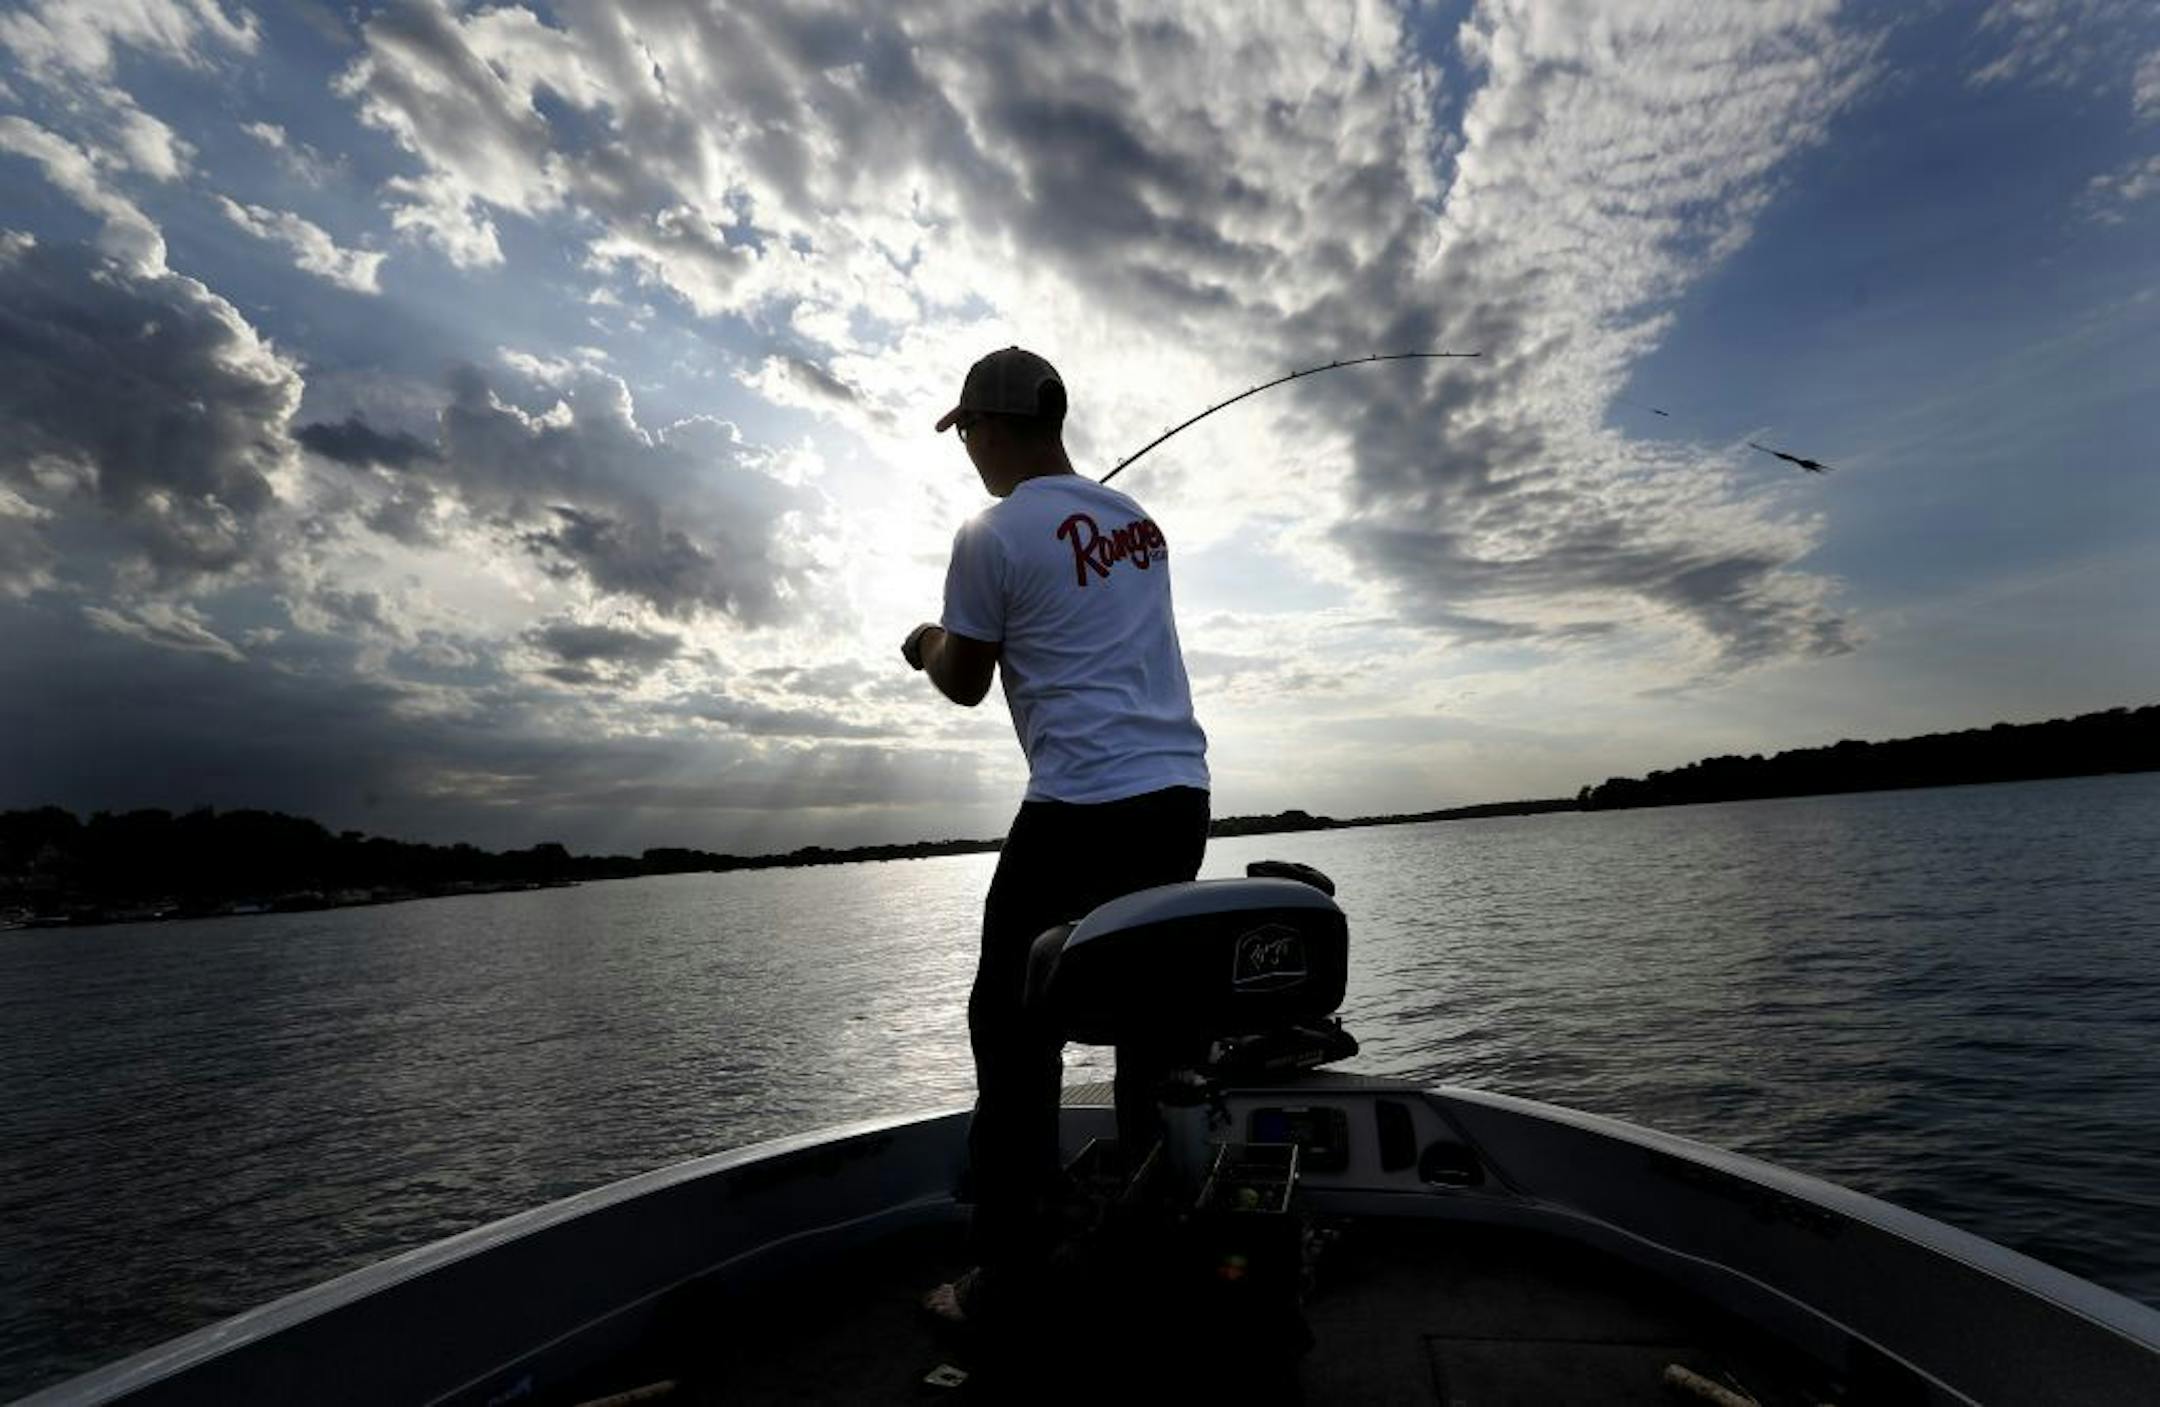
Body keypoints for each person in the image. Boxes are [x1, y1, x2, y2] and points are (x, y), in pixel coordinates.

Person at [904, 346, 1210, 1324]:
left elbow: (964, 680)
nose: (968, 456)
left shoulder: (989, 533)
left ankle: (1012, 1274)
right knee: (1147, 1022)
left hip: (1081, 806)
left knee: (1010, 1026)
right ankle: (1155, 1235)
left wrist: (922, 642)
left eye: (967, 436)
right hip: (1179, 797)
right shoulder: (1142, 527)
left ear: (990, 429)